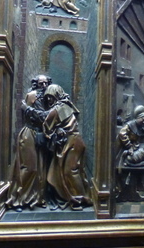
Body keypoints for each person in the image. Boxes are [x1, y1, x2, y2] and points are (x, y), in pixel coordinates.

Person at [42, 84, 90, 210]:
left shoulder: (58, 109)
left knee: (70, 171)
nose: (49, 99)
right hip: (71, 141)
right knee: (68, 171)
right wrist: (58, 130)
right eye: (47, 97)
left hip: (71, 142)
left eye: (51, 96)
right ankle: (74, 196)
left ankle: (79, 198)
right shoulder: (66, 105)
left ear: (57, 95)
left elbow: (46, 125)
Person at [6, 75, 51, 210]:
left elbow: (46, 117)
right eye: (41, 83)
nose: (44, 86)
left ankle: (36, 198)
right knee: (29, 168)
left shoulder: (49, 98)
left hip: (41, 135)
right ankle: (18, 199)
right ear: (36, 84)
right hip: (30, 134)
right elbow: (39, 117)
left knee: (41, 169)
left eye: (46, 83)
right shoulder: (32, 95)